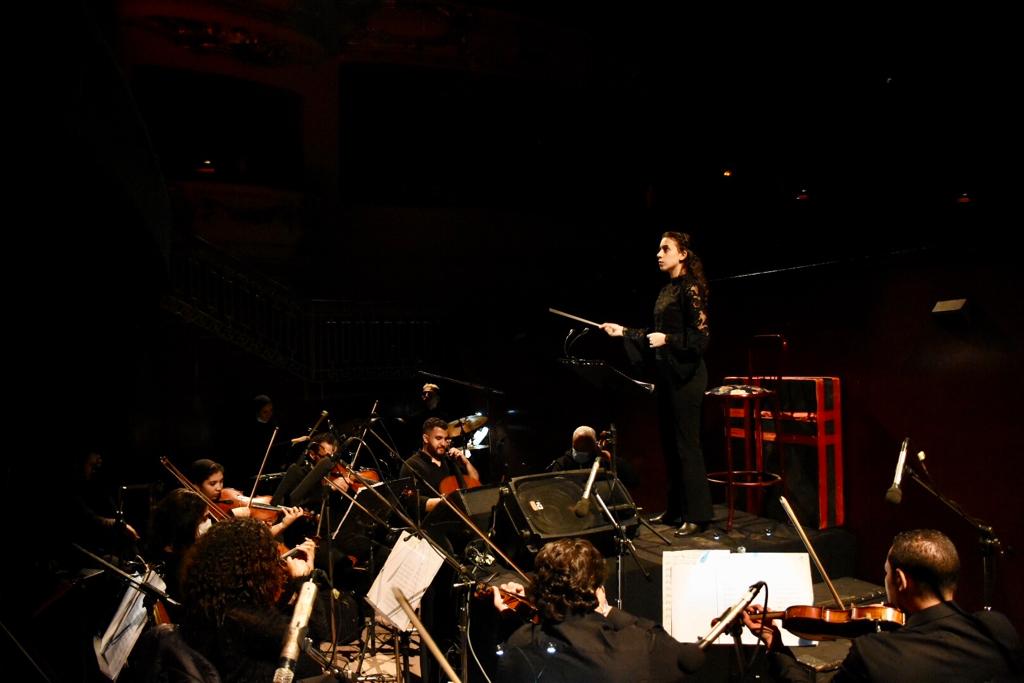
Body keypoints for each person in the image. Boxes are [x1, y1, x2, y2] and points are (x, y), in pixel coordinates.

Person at [743, 529, 1023, 682]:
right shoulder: (997, 630)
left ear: (900, 580)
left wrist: (776, 647)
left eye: (886, 573)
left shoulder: (875, 654)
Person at [600, 231, 713, 536]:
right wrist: (623, 331)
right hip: (666, 375)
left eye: (666, 249)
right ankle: (676, 510)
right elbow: (654, 333)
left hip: (687, 376)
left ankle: (698, 515)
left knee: (687, 446)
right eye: (659, 249)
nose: (659, 254)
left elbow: (700, 339)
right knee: (669, 444)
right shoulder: (667, 290)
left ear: (683, 254)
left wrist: (669, 340)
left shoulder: (690, 287)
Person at [492, 537, 704, 682]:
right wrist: (610, 611)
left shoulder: (519, 643)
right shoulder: (634, 645)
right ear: (597, 589)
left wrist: (512, 617)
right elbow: (683, 657)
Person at [178, 519, 328, 682]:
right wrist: (305, 581)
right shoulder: (246, 619)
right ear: (255, 569)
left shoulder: (206, 600)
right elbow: (313, 637)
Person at [189, 458, 305, 538]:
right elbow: (206, 539)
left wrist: (283, 524)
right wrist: (231, 516)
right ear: (196, 486)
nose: (219, 488)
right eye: (212, 483)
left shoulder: (226, 497)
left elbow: (256, 540)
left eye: (221, 481)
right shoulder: (192, 513)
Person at [400, 416, 480, 518]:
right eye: (438, 438)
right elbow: (412, 502)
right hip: (433, 523)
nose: (443, 443)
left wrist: (466, 462)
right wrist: (447, 502)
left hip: (458, 519)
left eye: (446, 439)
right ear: (425, 438)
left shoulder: (450, 459)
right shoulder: (411, 464)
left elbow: (474, 482)